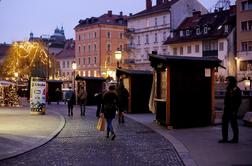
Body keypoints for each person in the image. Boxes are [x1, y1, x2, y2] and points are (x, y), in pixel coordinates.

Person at [219, 76, 242, 143]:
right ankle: (225, 138)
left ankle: (235, 139)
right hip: (227, 109)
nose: (226, 81)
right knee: (224, 124)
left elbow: (238, 101)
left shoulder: (236, 90)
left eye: (228, 80)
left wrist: (235, 110)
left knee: (234, 124)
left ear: (231, 81)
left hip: (232, 110)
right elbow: (226, 100)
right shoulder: (228, 88)